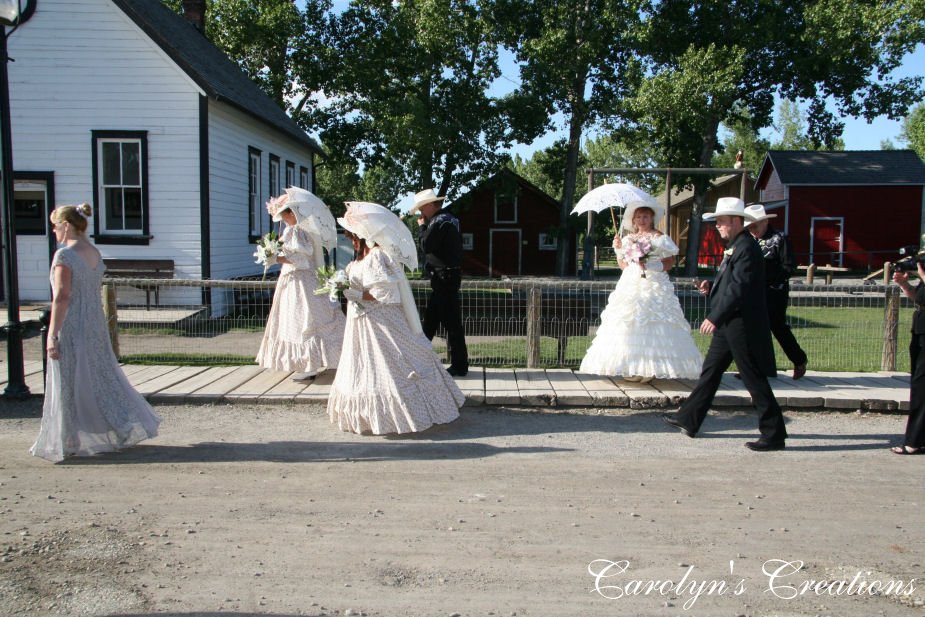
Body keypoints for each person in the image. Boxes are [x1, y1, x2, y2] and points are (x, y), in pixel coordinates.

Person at [31, 204, 161, 462]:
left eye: (56, 226)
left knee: (68, 378)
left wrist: (52, 334)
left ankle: (69, 437)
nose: (54, 231)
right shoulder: (93, 252)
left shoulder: (64, 256)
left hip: (72, 323)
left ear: (66, 225)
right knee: (100, 374)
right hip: (94, 322)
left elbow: (62, 296)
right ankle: (121, 424)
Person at [327, 202, 464, 435]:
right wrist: (340, 287)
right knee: (366, 369)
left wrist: (353, 293)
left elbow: (386, 295)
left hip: (382, 324)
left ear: (362, 236)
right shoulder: (360, 259)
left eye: (353, 236)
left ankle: (407, 413)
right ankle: (370, 417)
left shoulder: (378, 257)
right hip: (361, 324)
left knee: (394, 366)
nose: (351, 241)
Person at [662, 197, 787, 452]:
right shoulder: (738, 245)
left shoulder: (747, 248)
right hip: (730, 322)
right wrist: (711, 288)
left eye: (721, 221)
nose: (717, 226)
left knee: (753, 377)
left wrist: (713, 317)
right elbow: (731, 285)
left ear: (735, 221)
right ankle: (689, 418)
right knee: (711, 371)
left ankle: (774, 433)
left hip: (742, 324)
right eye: (717, 221)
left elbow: (740, 289)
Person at [579, 202, 702, 382]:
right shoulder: (628, 239)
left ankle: (649, 369)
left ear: (652, 218)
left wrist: (653, 265)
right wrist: (618, 250)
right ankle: (632, 366)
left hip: (653, 283)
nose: (642, 220)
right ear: (633, 220)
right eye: (638, 217)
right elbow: (623, 265)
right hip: (631, 283)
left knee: (653, 321)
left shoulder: (660, 238)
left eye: (645, 216)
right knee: (628, 323)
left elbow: (670, 262)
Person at [256, 189, 345, 382]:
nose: (282, 219)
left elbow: (302, 258)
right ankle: (308, 362)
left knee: (305, 320)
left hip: (301, 282)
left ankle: (309, 364)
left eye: (284, 215)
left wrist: (276, 258)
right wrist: (274, 254)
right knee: (300, 320)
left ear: (291, 213)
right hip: (294, 280)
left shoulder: (297, 230)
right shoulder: (296, 230)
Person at [745, 204, 808, 380]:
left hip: (774, 292)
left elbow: (789, 266)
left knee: (777, 327)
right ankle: (753, 368)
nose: (752, 230)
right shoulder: (748, 239)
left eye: (755, 226)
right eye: (749, 226)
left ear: (765, 222)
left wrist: (770, 279)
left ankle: (799, 359)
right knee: (752, 328)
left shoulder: (780, 238)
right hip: (752, 291)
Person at [411, 188, 469, 377]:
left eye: (421, 208)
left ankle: (459, 365)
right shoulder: (451, 218)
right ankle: (420, 360)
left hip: (444, 278)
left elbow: (426, 246)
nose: (421, 213)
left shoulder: (436, 222)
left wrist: (421, 227)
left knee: (450, 323)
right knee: (430, 321)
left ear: (429, 205)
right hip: (446, 277)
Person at [890, 261, 925, 454]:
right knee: (919, 385)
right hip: (920, 330)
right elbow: (919, 298)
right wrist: (904, 284)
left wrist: (922, 275)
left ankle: (914, 441)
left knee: (922, 388)